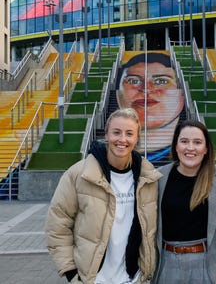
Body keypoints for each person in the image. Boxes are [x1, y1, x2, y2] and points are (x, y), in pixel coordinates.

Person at [45, 108, 163, 284]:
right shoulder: (79, 174)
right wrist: (70, 272)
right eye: (116, 132)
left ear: (137, 138)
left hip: (134, 278)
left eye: (129, 133)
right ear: (106, 135)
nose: (122, 139)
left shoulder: (149, 178)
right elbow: (57, 225)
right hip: (93, 279)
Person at [152, 119, 216, 284]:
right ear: (176, 146)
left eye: (197, 142)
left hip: (210, 264)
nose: (190, 148)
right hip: (168, 264)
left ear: (206, 149)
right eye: (184, 141)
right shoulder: (159, 177)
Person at [117, 52, 185, 164]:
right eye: (133, 81)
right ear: (117, 93)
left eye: (161, 81)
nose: (146, 89)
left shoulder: (190, 152)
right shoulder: (100, 152)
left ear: (182, 93)